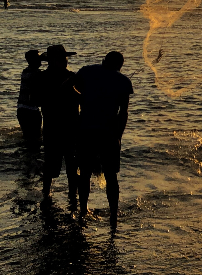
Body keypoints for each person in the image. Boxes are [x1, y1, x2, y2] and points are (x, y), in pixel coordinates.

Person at [74, 51, 133, 229]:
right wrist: (119, 136)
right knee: (110, 175)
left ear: (104, 60)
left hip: (85, 131)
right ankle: (113, 215)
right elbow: (123, 113)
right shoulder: (123, 81)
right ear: (120, 66)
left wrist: (82, 98)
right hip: (109, 134)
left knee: (84, 173)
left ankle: (83, 210)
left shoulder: (86, 71)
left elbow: (71, 88)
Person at [38, 45, 80, 203]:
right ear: (52, 61)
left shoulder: (44, 77)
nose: (65, 61)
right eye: (62, 59)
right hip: (59, 126)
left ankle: (65, 195)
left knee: (68, 164)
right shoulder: (70, 77)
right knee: (57, 164)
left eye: (65, 58)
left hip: (63, 126)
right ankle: (54, 195)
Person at [17, 49, 43, 147]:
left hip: (21, 108)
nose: (40, 60)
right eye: (38, 58)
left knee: (27, 137)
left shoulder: (25, 71)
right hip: (31, 110)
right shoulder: (37, 73)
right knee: (36, 138)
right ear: (33, 60)